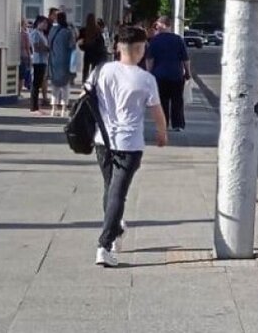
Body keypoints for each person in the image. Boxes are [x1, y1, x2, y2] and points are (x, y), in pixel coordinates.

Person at [93, 25, 168, 267]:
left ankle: (114, 230)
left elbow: (88, 98)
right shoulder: (145, 79)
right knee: (118, 192)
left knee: (110, 188)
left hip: (102, 140)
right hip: (129, 143)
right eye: (144, 46)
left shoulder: (101, 71)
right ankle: (105, 245)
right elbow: (157, 111)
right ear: (138, 50)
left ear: (118, 48)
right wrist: (162, 133)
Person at [145, 16, 190, 132]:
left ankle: (164, 124)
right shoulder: (178, 40)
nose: (156, 27)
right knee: (177, 101)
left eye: (158, 25)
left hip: (159, 76)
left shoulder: (155, 41)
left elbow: (150, 59)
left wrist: (149, 74)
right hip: (176, 75)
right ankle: (178, 124)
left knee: (162, 101)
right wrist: (187, 72)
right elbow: (185, 59)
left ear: (163, 25)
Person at [47, 12, 76, 117]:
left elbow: (48, 44)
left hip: (54, 60)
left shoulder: (52, 31)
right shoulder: (68, 32)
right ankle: (64, 109)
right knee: (65, 86)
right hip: (65, 61)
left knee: (54, 86)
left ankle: (53, 109)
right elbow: (72, 46)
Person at [28, 16, 50, 114]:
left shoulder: (42, 34)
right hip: (38, 61)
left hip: (43, 60)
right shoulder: (35, 33)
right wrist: (46, 48)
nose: (46, 25)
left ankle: (36, 106)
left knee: (39, 83)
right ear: (39, 23)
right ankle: (34, 107)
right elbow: (36, 47)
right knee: (36, 84)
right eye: (44, 23)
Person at [79, 13, 109, 82]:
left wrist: (83, 47)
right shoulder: (98, 30)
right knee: (94, 68)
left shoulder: (83, 30)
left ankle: (84, 81)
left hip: (87, 52)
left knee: (85, 68)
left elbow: (80, 42)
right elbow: (102, 42)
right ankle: (92, 81)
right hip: (96, 53)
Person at [19, 19, 32, 95]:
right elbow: (27, 47)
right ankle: (19, 92)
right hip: (24, 56)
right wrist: (30, 57)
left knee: (18, 75)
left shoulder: (16, 34)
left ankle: (16, 92)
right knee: (22, 76)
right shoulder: (25, 34)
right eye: (26, 23)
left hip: (16, 55)